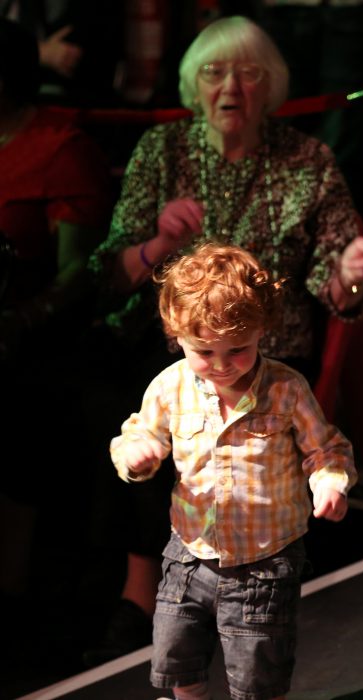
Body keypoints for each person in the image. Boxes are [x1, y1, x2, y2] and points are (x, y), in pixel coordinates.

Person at [85, 14, 363, 665]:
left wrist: (353, 273)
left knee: (260, 406)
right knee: (138, 405)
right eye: (215, 73)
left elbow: (331, 281)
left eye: (248, 73)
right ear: (194, 86)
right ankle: (144, 590)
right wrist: (158, 244)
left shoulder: (307, 160)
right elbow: (107, 274)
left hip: (267, 352)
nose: (232, 87)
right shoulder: (162, 151)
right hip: (167, 345)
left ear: (271, 86)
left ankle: (255, 578)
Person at [109, 242, 355, 700]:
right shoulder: (169, 387)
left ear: (263, 329)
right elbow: (134, 437)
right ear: (175, 332)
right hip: (188, 553)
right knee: (175, 658)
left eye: (237, 349)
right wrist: (137, 455)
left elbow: (327, 450)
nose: (221, 365)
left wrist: (330, 484)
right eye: (204, 351)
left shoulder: (285, 389)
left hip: (264, 563)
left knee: (258, 676)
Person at [0, 18, 111, 597]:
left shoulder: (58, 148)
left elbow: (82, 271)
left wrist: (21, 320)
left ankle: (10, 585)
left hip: (34, 334)